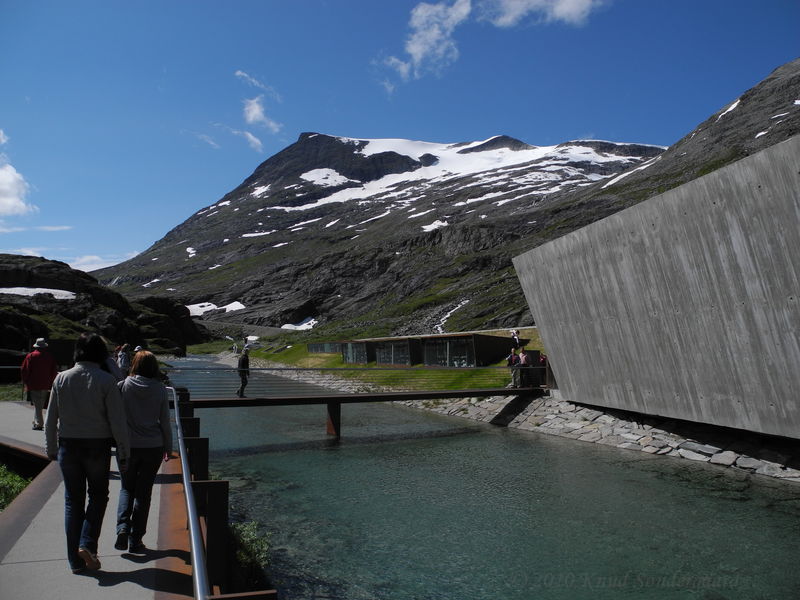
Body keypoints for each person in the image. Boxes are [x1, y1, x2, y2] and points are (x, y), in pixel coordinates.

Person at [45, 333, 130, 574]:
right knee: (99, 496)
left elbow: (51, 419)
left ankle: (75, 562)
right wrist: (124, 453)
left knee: (73, 501)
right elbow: (118, 422)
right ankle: (87, 544)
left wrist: (51, 448)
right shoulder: (106, 381)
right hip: (97, 446)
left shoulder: (61, 378)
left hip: (68, 446)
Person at [114, 351, 172, 554]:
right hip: (153, 446)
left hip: (127, 446)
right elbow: (164, 421)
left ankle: (122, 527)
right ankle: (136, 539)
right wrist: (168, 446)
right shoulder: (160, 389)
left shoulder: (123, 386)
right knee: (144, 494)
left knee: (126, 488)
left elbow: (115, 416)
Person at [21, 338, 58, 430]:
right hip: (46, 384)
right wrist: (52, 382)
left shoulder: (31, 356)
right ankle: (36, 421)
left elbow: (24, 370)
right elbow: (54, 371)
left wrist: (25, 381)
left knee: (37, 404)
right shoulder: (49, 356)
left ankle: (39, 424)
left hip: (34, 384)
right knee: (40, 404)